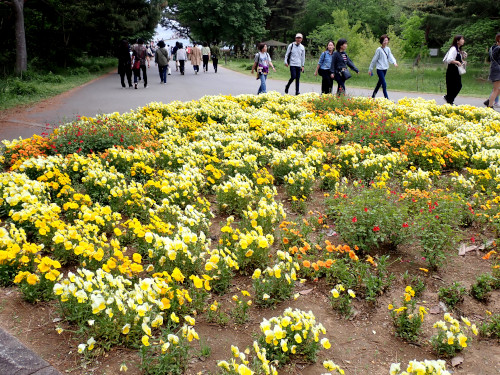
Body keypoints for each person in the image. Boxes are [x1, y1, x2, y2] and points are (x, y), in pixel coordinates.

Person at [368, 34, 398, 99]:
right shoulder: (379, 50)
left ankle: (373, 96)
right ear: (381, 41)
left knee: (379, 83)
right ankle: (386, 98)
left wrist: (394, 62)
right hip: (379, 69)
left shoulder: (388, 49)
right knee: (384, 84)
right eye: (384, 40)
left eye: (387, 40)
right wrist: (370, 69)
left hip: (385, 68)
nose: (386, 42)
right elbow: (374, 60)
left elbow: (390, 56)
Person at [443, 35, 466, 105]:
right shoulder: (453, 48)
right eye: (461, 39)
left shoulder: (458, 49)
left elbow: (457, 58)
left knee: (456, 85)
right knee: (454, 85)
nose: (463, 40)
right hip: (452, 69)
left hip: (455, 70)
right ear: (457, 41)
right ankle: (449, 100)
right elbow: (449, 59)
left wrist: (462, 61)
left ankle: (449, 100)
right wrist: (458, 62)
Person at [484, 33, 500, 109]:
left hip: (495, 69)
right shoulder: (498, 48)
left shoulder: (493, 47)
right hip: (497, 70)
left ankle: (489, 101)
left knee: (497, 89)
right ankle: (490, 106)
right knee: (495, 89)